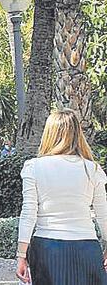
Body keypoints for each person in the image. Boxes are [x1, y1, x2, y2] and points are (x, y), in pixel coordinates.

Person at [15, 109, 107, 285]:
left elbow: (28, 213)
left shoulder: (34, 167)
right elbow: (103, 215)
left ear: (48, 134)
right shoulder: (93, 169)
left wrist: (21, 255)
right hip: (86, 247)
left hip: (48, 247)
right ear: (77, 133)